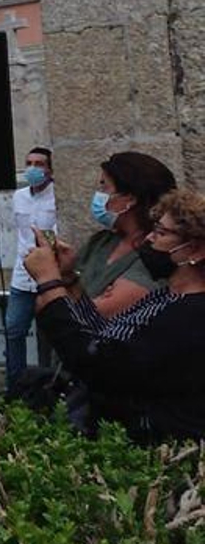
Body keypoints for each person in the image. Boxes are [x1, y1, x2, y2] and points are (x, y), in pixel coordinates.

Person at [25, 188, 205, 442]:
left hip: (152, 444)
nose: (150, 239)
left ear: (195, 250)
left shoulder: (191, 315)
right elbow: (104, 339)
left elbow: (101, 367)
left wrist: (49, 283)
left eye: (162, 233)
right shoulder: (166, 295)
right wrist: (68, 280)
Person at [55, 152, 176, 320]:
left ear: (130, 199)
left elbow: (96, 315)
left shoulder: (154, 252)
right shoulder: (101, 242)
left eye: (104, 187)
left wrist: (46, 275)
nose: (98, 195)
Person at [5, 146, 57, 391]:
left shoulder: (57, 196)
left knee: (48, 336)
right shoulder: (19, 196)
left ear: (50, 169)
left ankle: (48, 387)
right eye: (29, 163)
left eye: (39, 164)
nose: (33, 169)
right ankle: (15, 387)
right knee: (14, 329)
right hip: (22, 275)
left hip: (48, 276)